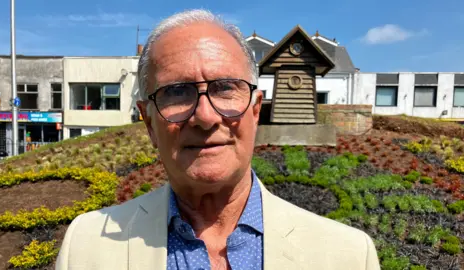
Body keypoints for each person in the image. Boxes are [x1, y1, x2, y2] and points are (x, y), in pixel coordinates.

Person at [56, 9, 380, 270]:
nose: (206, 117)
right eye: (177, 91)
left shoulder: (348, 256)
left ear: (255, 111)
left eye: (225, 88)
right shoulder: (86, 248)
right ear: (149, 123)